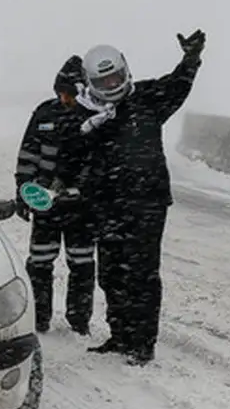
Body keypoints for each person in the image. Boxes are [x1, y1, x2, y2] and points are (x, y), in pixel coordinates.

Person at [75, 29, 206, 365]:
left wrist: (190, 59)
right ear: (90, 82)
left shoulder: (147, 97)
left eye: (115, 77)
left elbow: (177, 85)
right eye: (103, 82)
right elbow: (74, 156)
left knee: (142, 275)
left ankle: (142, 343)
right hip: (106, 206)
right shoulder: (86, 117)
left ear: (126, 70)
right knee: (110, 274)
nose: (111, 85)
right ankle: (120, 336)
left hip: (147, 203)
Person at [14, 55, 97, 335]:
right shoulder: (44, 113)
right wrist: (23, 190)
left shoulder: (93, 118)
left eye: (70, 94)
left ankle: (79, 321)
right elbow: (28, 154)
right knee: (39, 261)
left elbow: (100, 164)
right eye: (61, 93)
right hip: (46, 205)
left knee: (82, 262)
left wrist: (82, 192)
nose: (65, 99)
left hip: (81, 209)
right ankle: (39, 318)